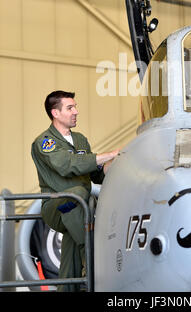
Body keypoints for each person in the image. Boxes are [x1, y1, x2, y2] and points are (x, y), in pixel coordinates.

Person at [31, 90, 119, 292]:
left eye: (75, 107)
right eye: (70, 108)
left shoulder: (80, 139)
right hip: (58, 206)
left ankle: (70, 285)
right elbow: (67, 165)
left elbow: (95, 173)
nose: (76, 112)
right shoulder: (45, 142)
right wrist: (107, 155)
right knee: (77, 193)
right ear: (55, 113)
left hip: (80, 209)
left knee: (69, 261)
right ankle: (92, 252)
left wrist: (116, 162)